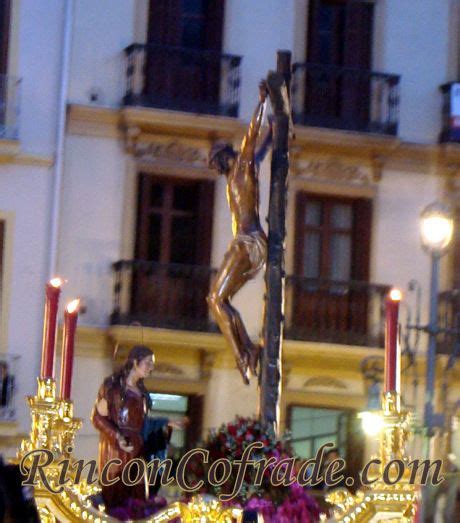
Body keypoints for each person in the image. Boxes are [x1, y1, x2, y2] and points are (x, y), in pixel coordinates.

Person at [207, 80, 272, 385]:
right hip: (251, 244)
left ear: (224, 156)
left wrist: (262, 103)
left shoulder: (242, 166)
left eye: (215, 161)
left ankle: (242, 356)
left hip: (249, 242)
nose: (214, 168)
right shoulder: (240, 172)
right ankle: (247, 351)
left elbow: (250, 139)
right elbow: (261, 147)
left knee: (214, 299)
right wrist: (274, 134)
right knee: (223, 300)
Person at [91, 345, 170, 512]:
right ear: (135, 362)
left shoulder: (142, 393)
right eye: (148, 363)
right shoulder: (113, 386)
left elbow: (142, 422)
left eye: (152, 364)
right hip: (116, 448)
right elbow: (97, 417)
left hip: (138, 449)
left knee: (139, 497)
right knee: (116, 495)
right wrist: (118, 436)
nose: (151, 367)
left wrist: (166, 423)